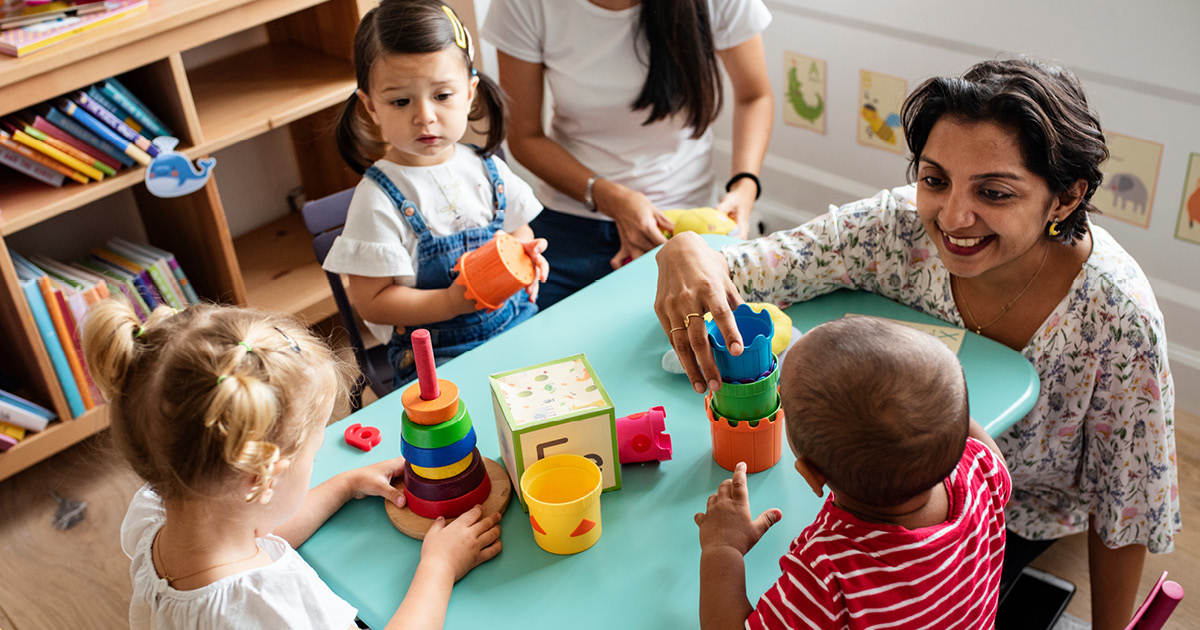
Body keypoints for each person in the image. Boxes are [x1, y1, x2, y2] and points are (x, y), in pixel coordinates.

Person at [657, 57, 1178, 628]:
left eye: (995, 192)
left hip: (1020, 516)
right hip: (907, 491)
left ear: (1065, 198)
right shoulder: (892, 229)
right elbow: (750, 267)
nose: (952, 216)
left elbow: (1126, 501)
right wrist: (686, 249)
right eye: (934, 180)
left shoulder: (1119, 316)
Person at [82, 301, 503, 629]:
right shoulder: (269, 605)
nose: (316, 462)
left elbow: (255, 531)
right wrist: (439, 568)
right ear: (260, 477)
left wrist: (344, 484)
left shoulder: (156, 515)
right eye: (313, 453)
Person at [696, 317, 1012, 629]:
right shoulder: (981, 470)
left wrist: (722, 548)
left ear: (811, 474)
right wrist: (933, 404)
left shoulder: (828, 575)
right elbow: (966, 433)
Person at [482, 0, 774, 308]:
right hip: (571, 219)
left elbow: (754, 96)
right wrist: (609, 197)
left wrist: (745, 185)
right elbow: (525, 137)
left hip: (683, 223)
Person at [327, 0, 549, 387]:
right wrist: (450, 302)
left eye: (442, 96)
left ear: (469, 92)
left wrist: (523, 257)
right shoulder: (377, 198)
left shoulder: (487, 168)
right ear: (370, 107)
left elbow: (520, 231)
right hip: (439, 358)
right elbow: (372, 301)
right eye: (400, 101)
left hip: (517, 326)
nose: (425, 116)